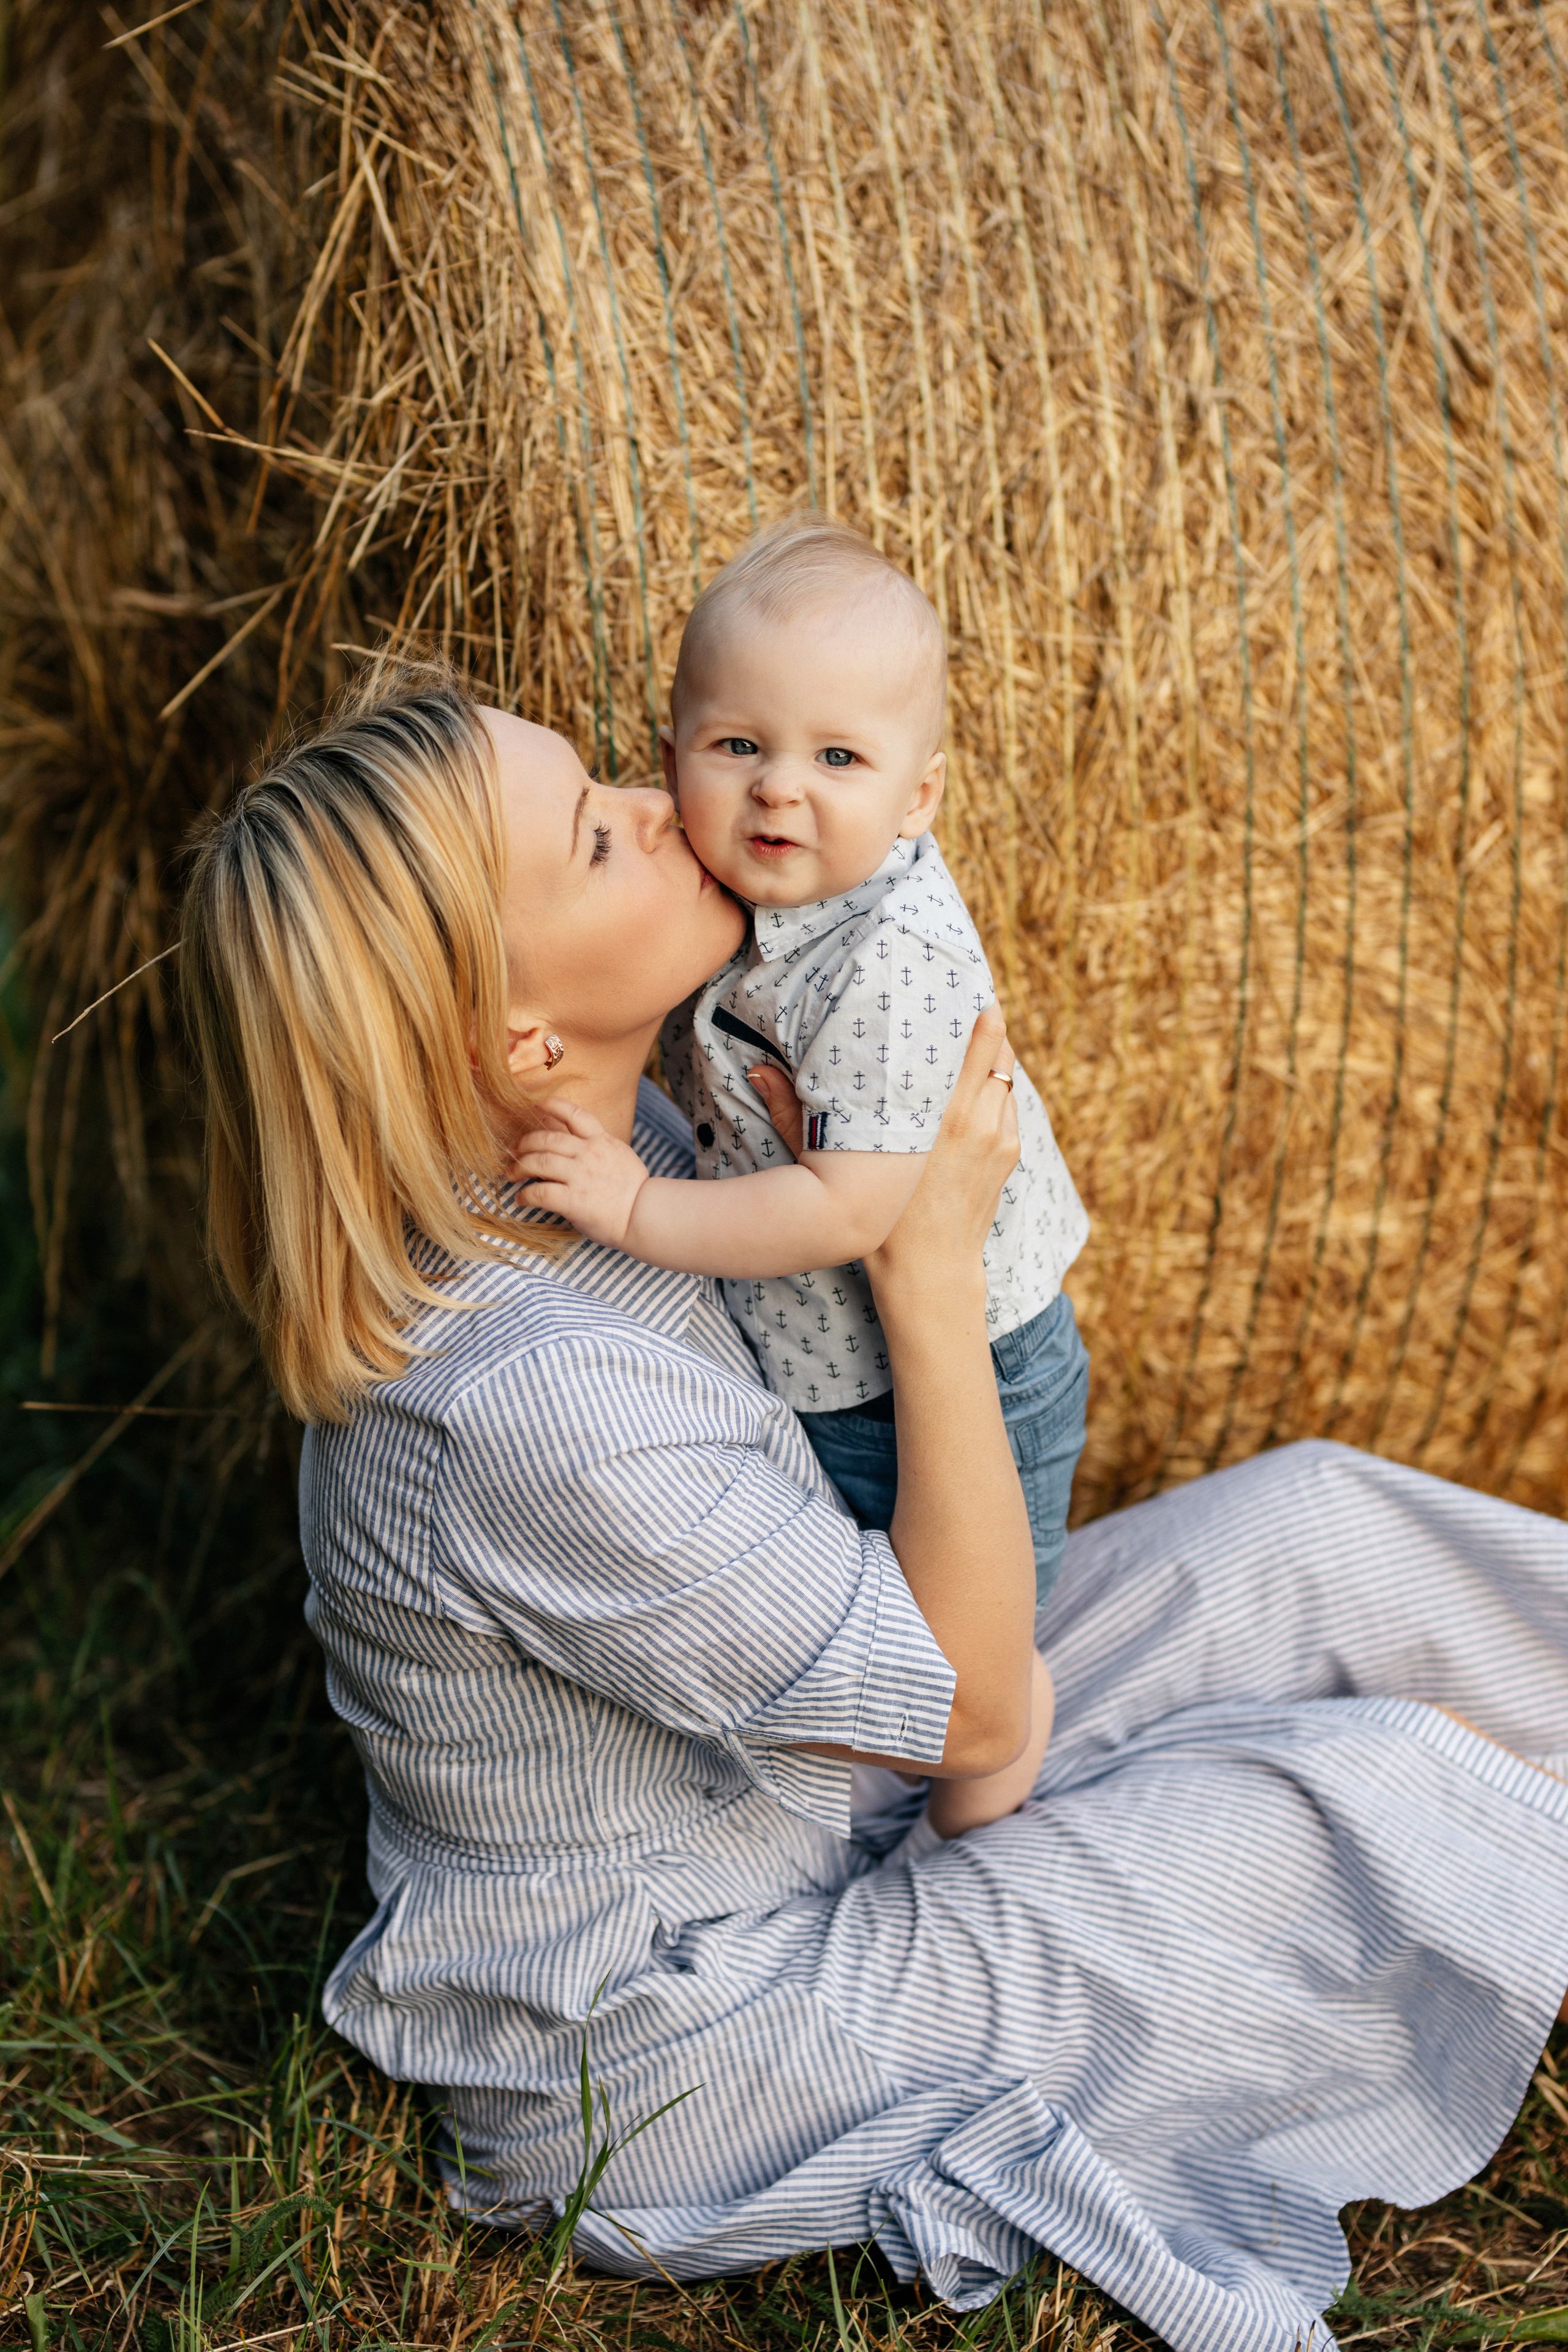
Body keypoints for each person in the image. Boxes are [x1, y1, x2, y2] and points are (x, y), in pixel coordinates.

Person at [180, 656, 1568, 2352]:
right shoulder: (525, 1409)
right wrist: (922, 1265)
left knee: (1319, 1532)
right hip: (694, 2040)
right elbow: (974, 1701)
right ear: (521, 1035)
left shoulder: (642, 1165)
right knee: (1337, 1807)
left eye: (605, 782)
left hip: (826, 1797)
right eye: (596, 842)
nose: (653, 800)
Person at [510, 516, 1084, 1841]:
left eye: (837, 758)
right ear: (671, 758)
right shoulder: (752, 897)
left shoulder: (884, 958)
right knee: (871, 1629)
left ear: (917, 798)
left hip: (961, 1368)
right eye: (736, 748)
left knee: (971, 1693)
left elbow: (856, 1208)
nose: (779, 790)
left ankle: (989, 1828)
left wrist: (639, 1208)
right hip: (845, 1359)